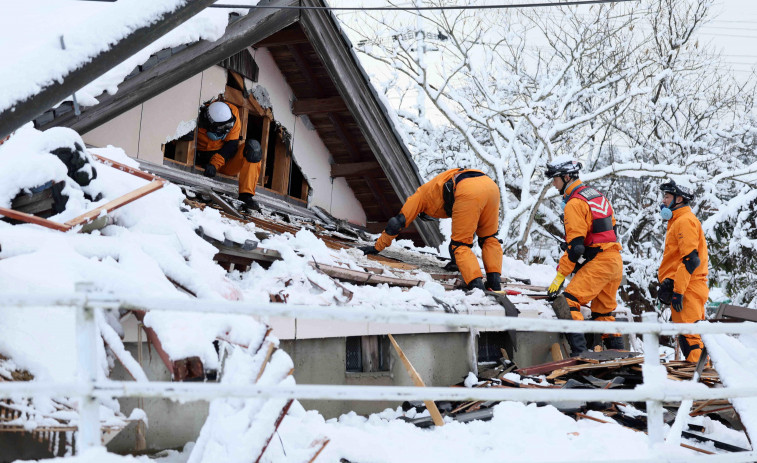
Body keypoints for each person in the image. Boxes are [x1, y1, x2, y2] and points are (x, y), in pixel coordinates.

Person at [359, 168, 503, 291]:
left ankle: (476, 286)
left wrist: (377, 247)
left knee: (460, 244)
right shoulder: (436, 188)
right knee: (489, 238)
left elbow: (396, 222)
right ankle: (495, 282)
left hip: (467, 189)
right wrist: (455, 263)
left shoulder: (420, 196)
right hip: (490, 187)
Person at [545, 157, 624, 356]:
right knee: (603, 313)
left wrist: (559, 278)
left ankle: (580, 355)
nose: (553, 185)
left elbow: (575, 249)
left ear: (566, 177)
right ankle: (618, 358)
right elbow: (607, 231)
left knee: (568, 302)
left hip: (600, 264)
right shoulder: (597, 196)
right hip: (614, 261)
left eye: (555, 179)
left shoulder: (574, 203)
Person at [656, 179, 709, 363]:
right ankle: (699, 378)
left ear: (679, 198)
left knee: (691, 338)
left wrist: (678, 291)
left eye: (667, 196)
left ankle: (702, 381)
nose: (663, 200)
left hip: (688, 289)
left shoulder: (685, 221)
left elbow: (691, 260)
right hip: (684, 286)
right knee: (687, 337)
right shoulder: (678, 220)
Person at [196, 101, 263, 211]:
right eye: (221, 128)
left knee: (253, 148)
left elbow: (231, 146)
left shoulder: (234, 113)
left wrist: (214, 164)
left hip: (224, 161)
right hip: (198, 158)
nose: (225, 131)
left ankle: (246, 195)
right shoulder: (195, 116)